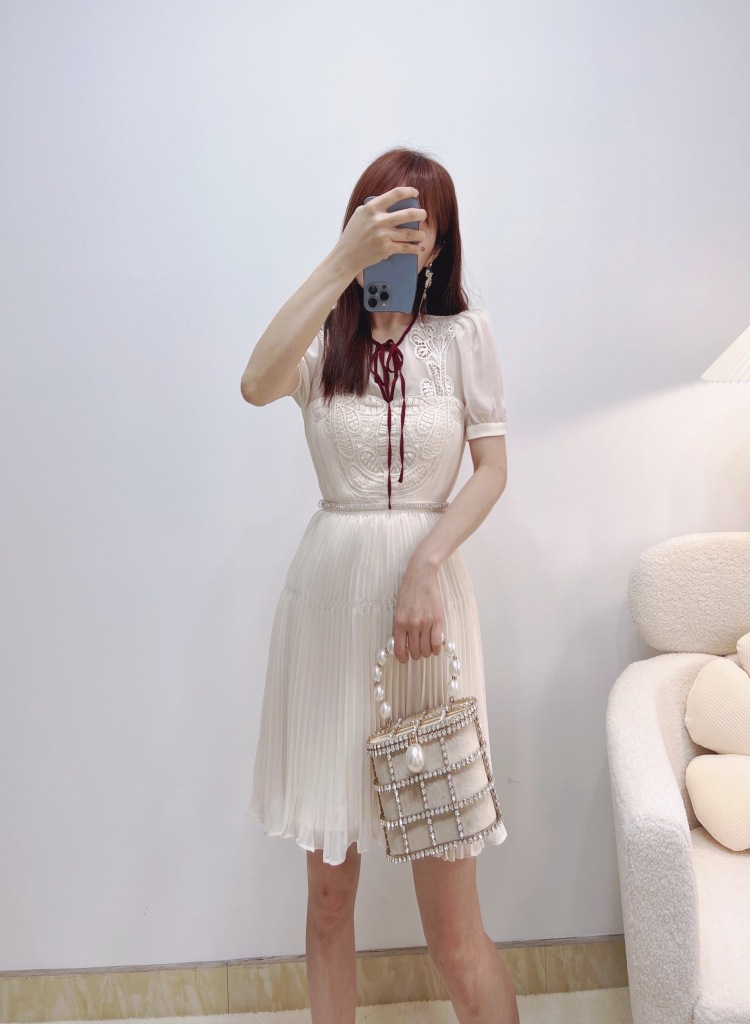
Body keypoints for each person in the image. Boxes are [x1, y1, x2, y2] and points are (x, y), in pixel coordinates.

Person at [241, 148, 519, 1024]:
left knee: (454, 931)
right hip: (330, 617)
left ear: (439, 244)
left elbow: (492, 470)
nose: (400, 236)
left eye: (416, 223)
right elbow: (254, 384)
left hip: (426, 621)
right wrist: (340, 265)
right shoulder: (325, 338)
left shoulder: (463, 336)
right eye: (382, 217)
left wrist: (427, 564)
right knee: (329, 903)